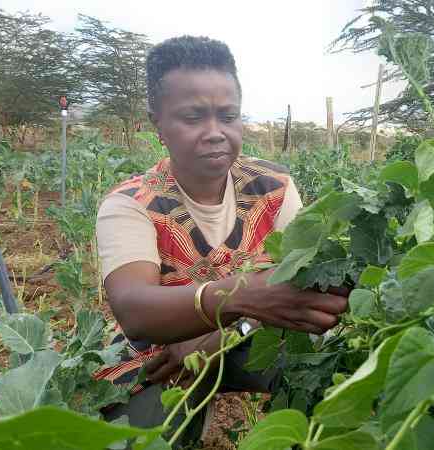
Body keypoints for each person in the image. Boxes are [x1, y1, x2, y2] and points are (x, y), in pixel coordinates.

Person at [94, 35, 348, 447]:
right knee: (141, 434)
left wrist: (214, 337)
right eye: (193, 117)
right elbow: (136, 310)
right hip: (162, 358)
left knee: (328, 370)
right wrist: (244, 294)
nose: (215, 132)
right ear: (157, 124)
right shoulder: (131, 203)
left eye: (228, 116)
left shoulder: (274, 188)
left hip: (247, 335)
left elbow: (293, 296)